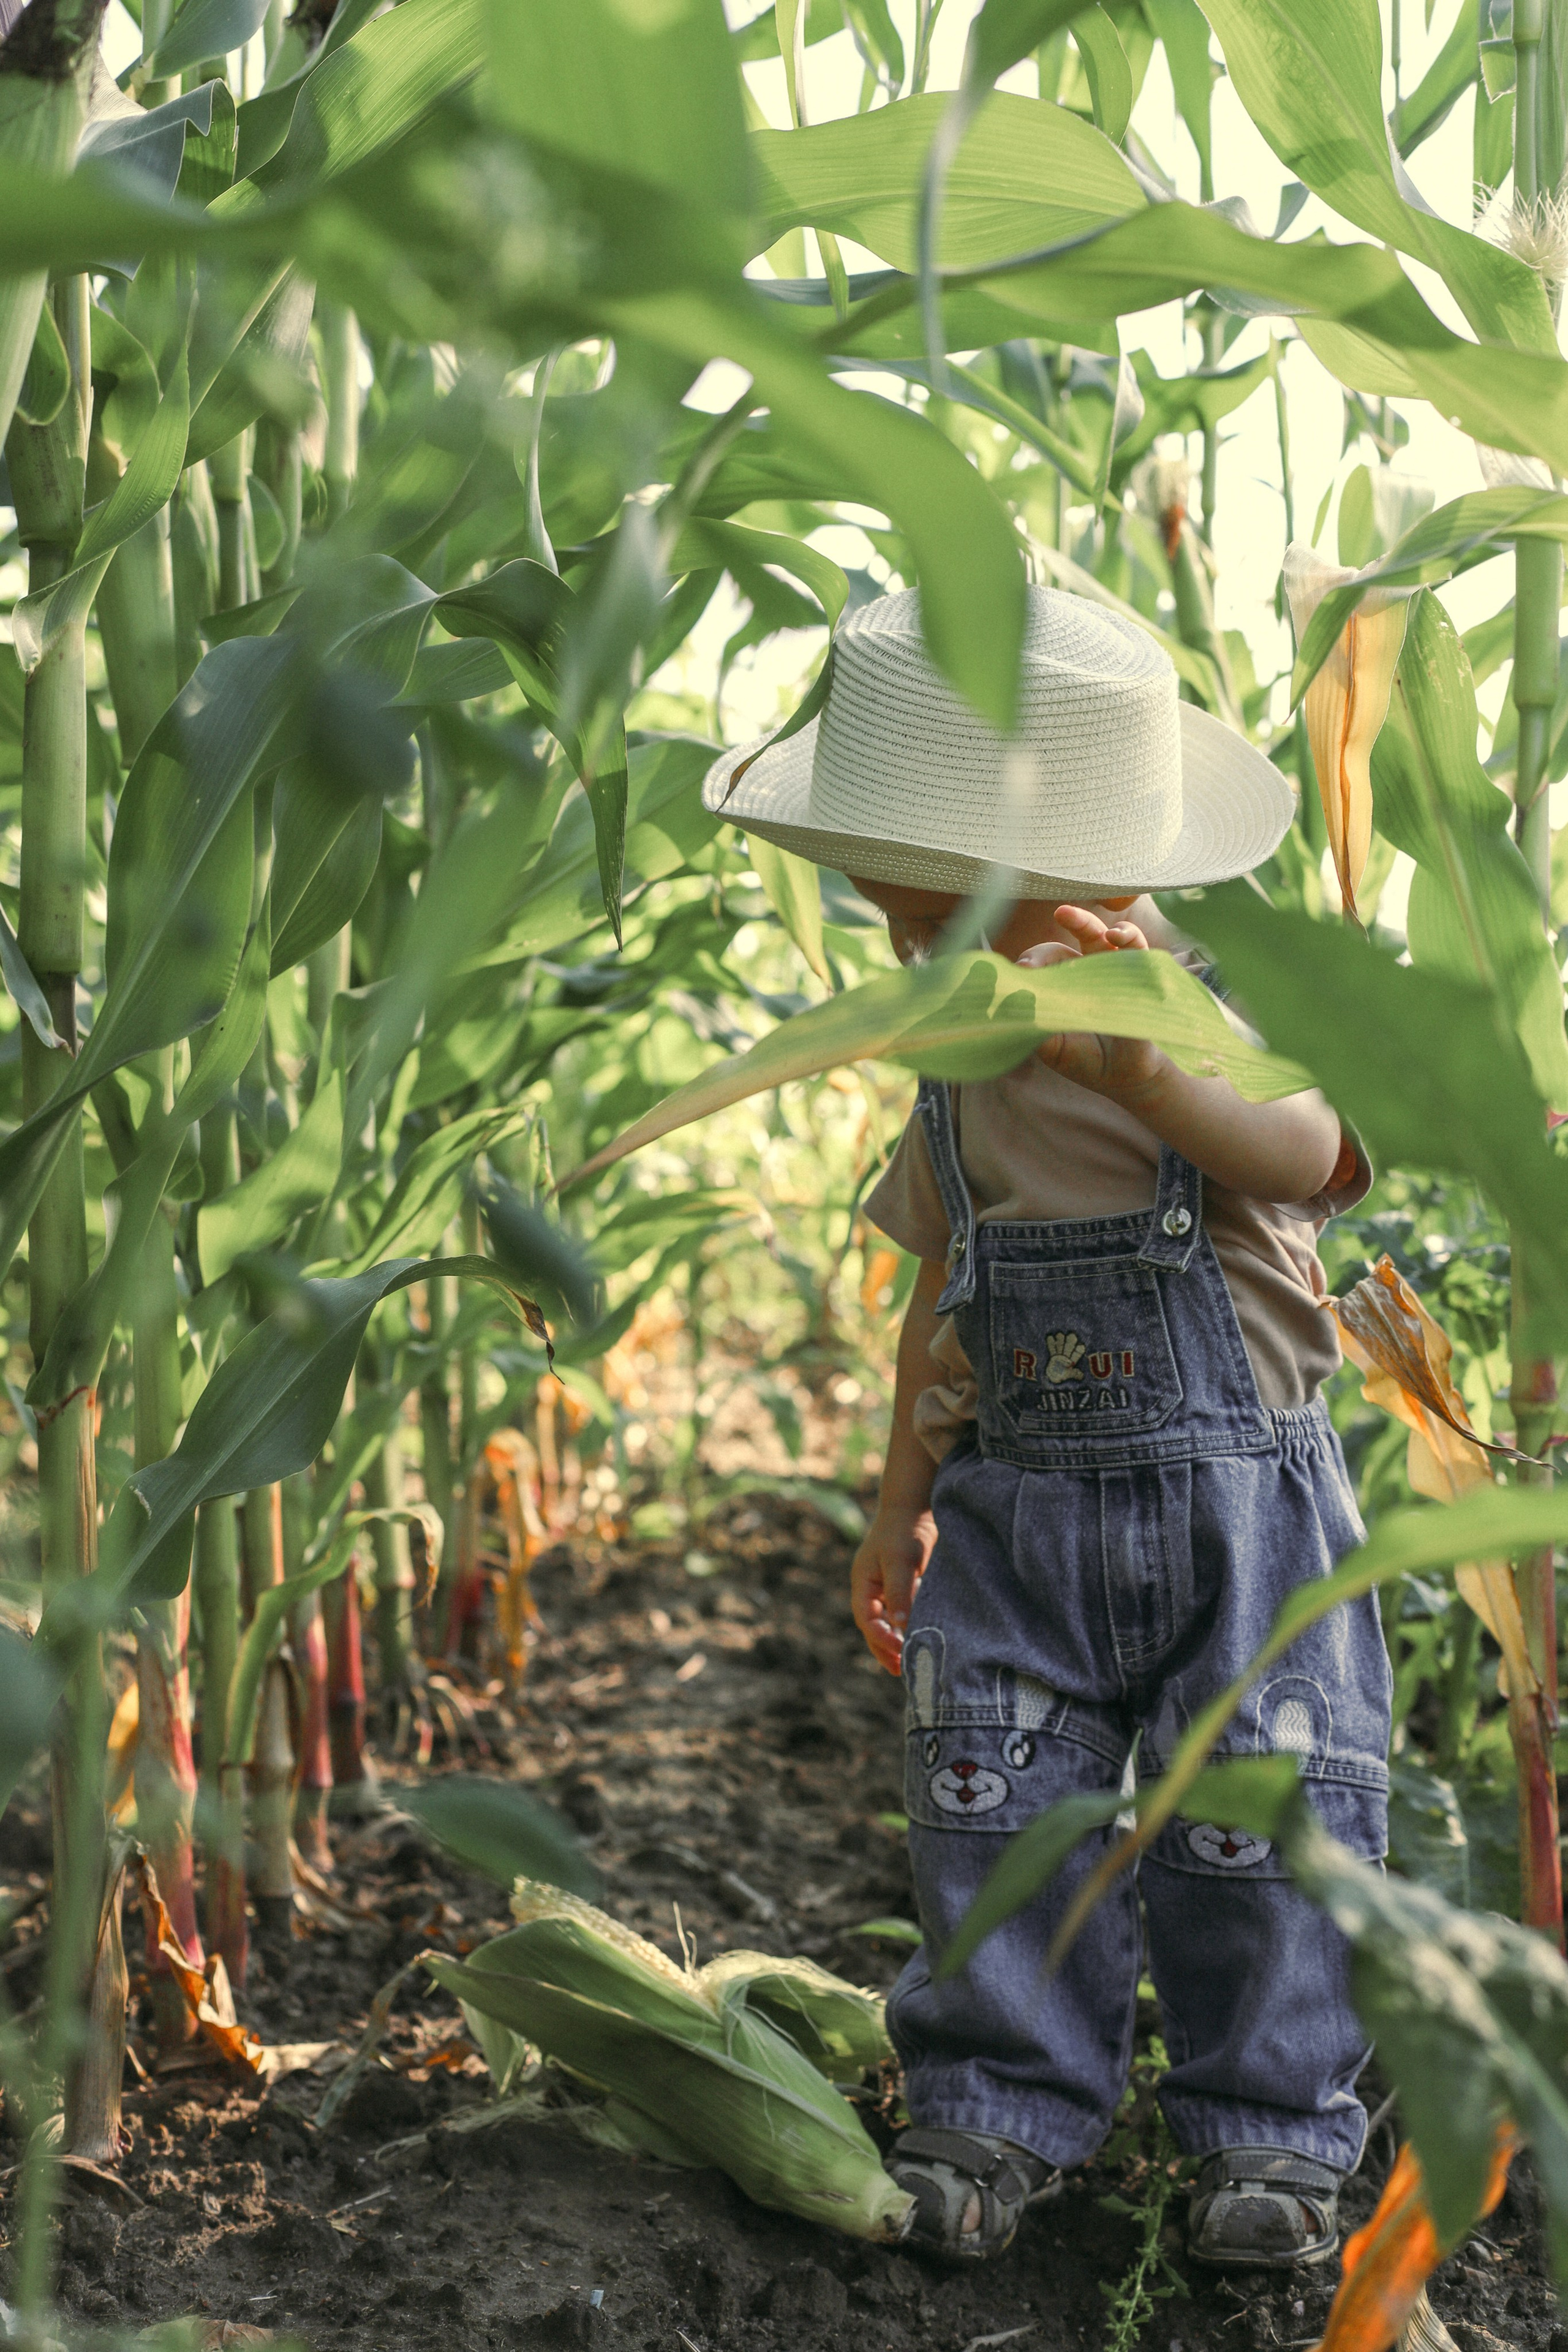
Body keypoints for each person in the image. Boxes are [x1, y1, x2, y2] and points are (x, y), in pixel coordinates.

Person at [701, 587, 1390, 2267]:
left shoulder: (1198, 1011)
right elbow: (941, 1312)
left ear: (1069, 904)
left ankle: (1276, 2133)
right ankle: (997, 2104)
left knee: (1263, 1823)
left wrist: (1148, 1070)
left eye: (914, 923)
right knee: (992, 1807)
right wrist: (895, 1503)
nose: (890, 961)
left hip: (1247, 1522)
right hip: (1018, 1523)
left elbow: (1309, 1152)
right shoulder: (956, 1091)